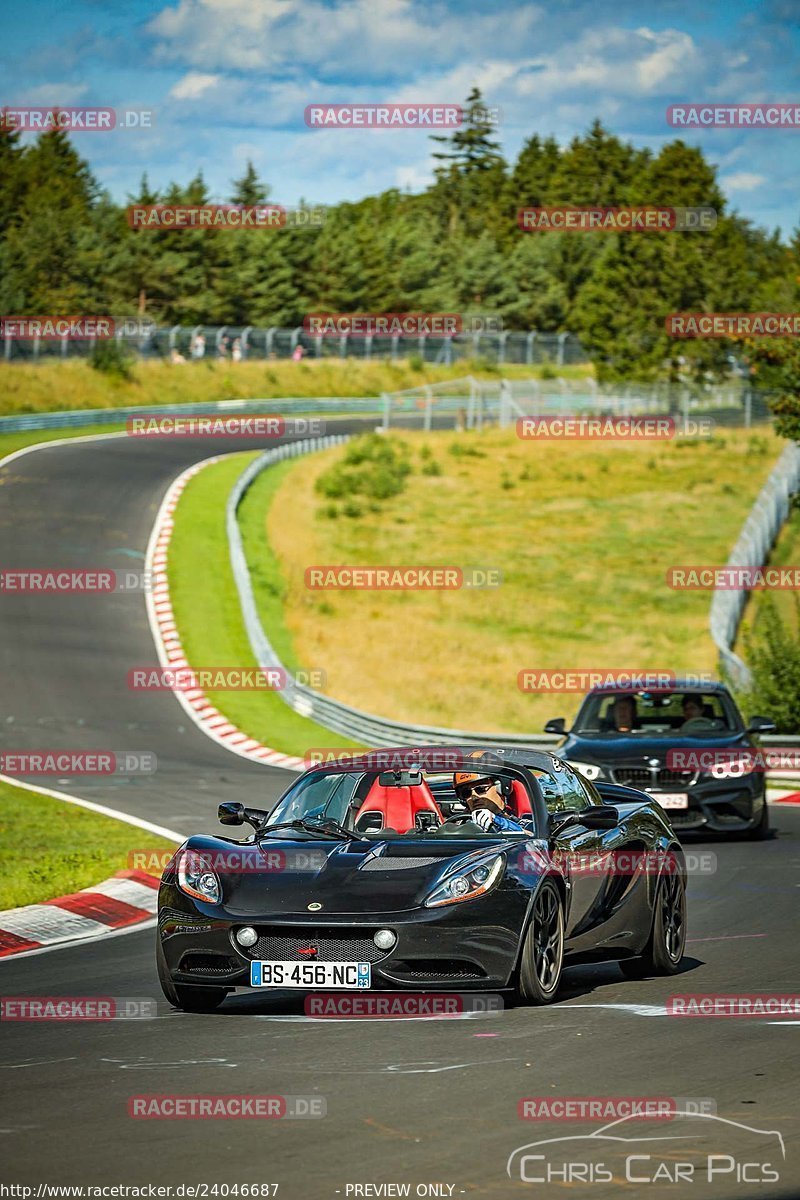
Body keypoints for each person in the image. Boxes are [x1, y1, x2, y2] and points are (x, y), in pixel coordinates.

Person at [453, 768, 530, 833]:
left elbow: (532, 837)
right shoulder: (459, 824)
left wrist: (499, 821)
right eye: (466, 793)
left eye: (481, 789)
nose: (474, 797)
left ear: (500, 788)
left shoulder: (522, 823)